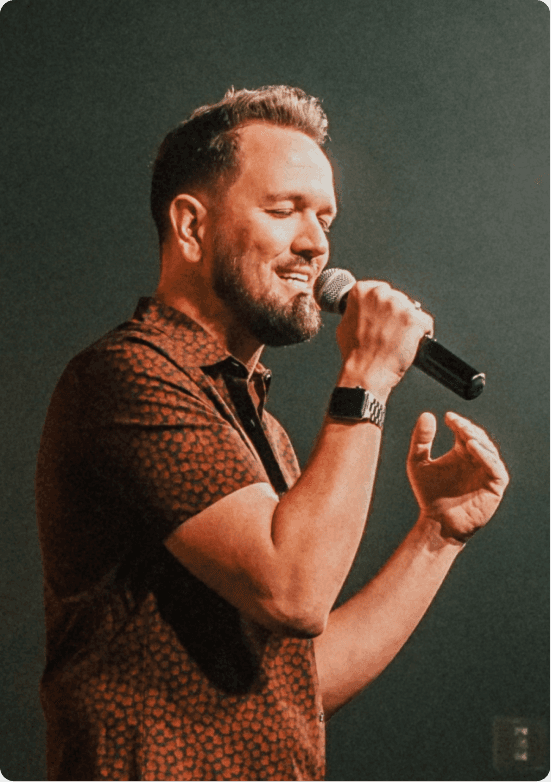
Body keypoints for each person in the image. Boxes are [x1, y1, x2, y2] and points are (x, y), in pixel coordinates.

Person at [35, 85, 509, 782]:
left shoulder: (262, 429)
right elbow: (293, 593)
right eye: (284, 210)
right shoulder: (127, 375)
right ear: (191, 226)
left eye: (325, 218)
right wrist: (368, 375)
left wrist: (436, 535)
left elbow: (295, 691)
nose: (316, 244)